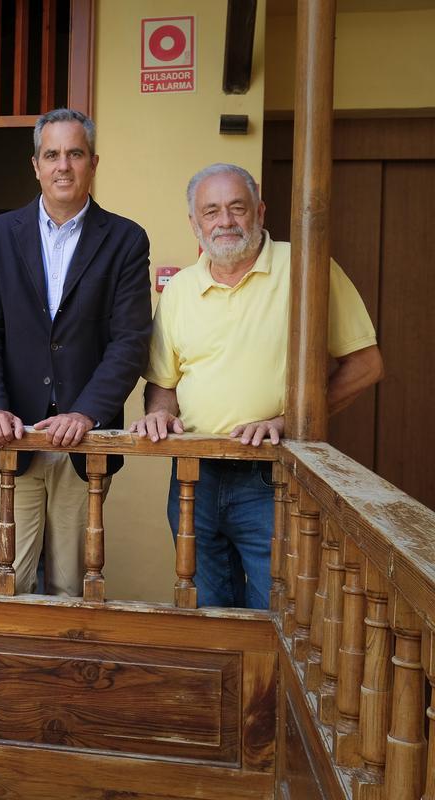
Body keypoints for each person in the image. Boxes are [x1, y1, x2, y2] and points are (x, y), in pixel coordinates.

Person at [131, 162, 384, 609]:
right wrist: (159, 412)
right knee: (205, 611)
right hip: (195, 476)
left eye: (236, 207)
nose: (224, 221)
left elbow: (366, 365)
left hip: (272, 475)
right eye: (211, 211)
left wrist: (288, 421)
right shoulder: (179, 291)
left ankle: (265, 685)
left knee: (278, 614)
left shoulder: (306, 268)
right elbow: (163, 383)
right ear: (195, 223)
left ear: (260, 211)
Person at [0, 108, 152, 596]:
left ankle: (65, 675)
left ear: (93, 162)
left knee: (73, 585)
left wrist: (87, 412)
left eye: (75, 153)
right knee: (7, 580)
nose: (62, 165)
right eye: (52, 155)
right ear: (35, 165)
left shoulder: (126, 239)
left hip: (82, 441)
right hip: (13, 435)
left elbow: (130, 339)